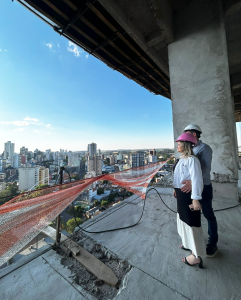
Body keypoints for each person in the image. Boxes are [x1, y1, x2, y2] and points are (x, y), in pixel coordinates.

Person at [181, 124, 218, 257]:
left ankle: (213, 244)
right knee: (191, 215)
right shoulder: (190, 148)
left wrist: (192, 181)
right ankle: (193, 242)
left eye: (186, 134)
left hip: (204, 187)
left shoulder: (205, 149)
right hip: (191, 188)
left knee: (208, 215)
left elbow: (204, 170)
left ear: (194, 134)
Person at [173, 132, 206, 267]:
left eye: (179, 144)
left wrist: (196, 199)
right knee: (184, 220)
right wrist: (176, 188)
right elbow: (179, 177)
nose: (177, 146)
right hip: (182, 194)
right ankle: (188, 244)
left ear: (185, 145)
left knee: (192, 223)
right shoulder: (183, 159)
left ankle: (196, 256)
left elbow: (197, 180)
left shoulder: (192, 160)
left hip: (189, 196)